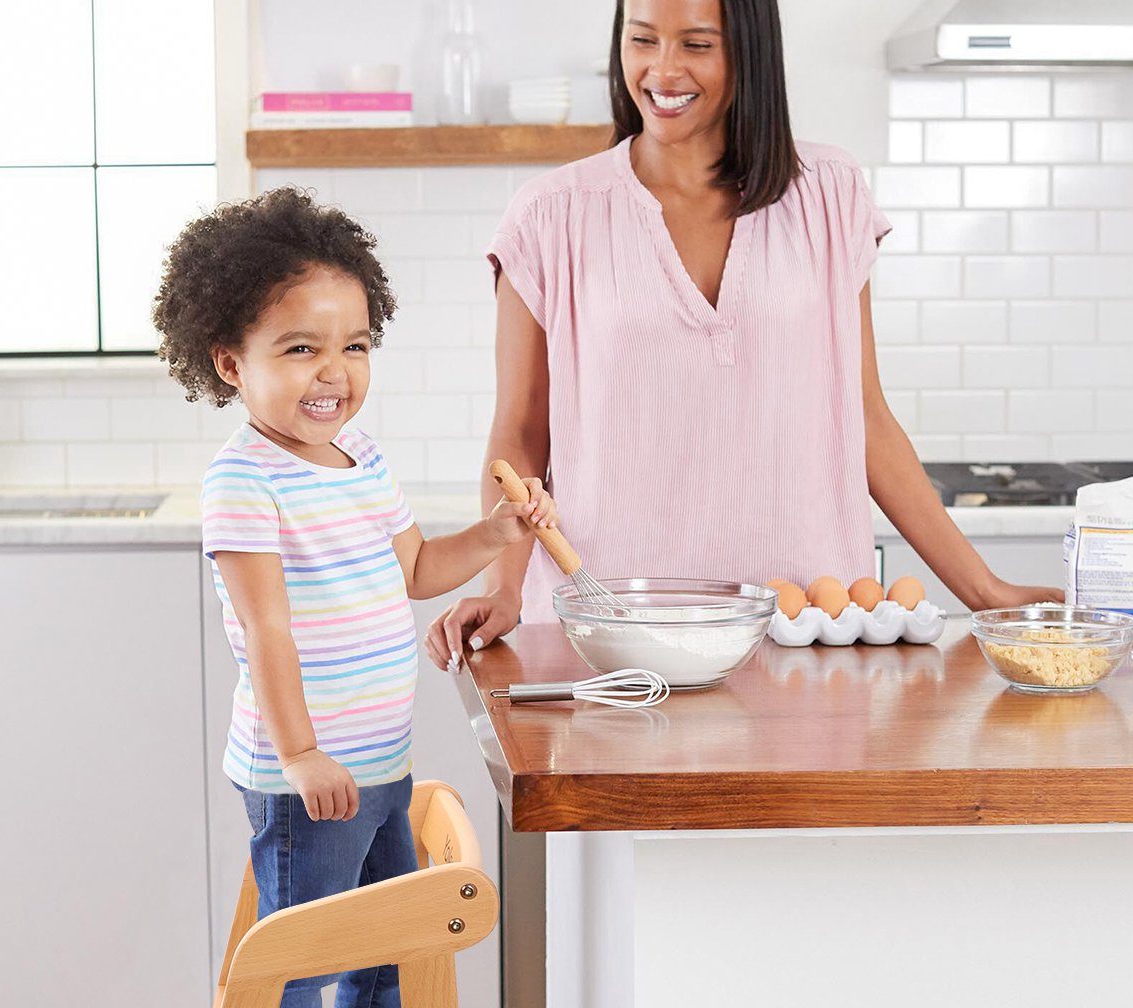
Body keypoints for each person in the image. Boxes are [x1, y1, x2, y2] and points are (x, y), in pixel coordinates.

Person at [426, 0, 1058, 672]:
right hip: (614, 640)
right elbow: (522, 432)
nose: (662, 70)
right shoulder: (550, 215)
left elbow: (863, 419)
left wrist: (985, 591)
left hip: (812, 631)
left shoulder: (829, 196)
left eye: (696, 44)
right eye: (642, 40)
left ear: (748, 54)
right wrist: (503, 588)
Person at [154, 188, 556, 1008]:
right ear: (229, 362)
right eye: (297, 350)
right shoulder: (244, 481)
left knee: (383, 946)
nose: (332, 373)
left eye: (353, 345)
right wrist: (299, 754)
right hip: (309, 775)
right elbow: (266, 627)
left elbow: (415, 568)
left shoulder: (359, 456)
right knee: (297, 959)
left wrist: (500, 540)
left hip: (377, 758)